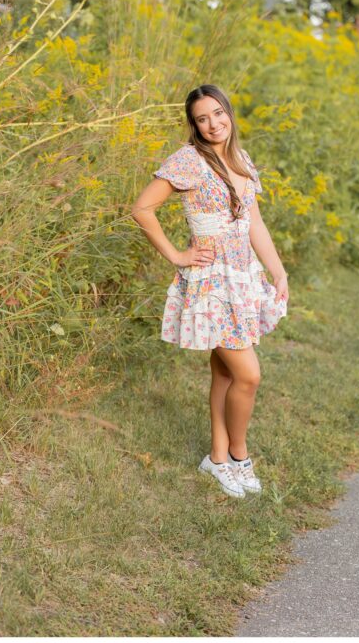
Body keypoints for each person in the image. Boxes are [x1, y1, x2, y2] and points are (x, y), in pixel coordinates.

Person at [131, 84, 288, 498]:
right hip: (212, 283)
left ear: (229, 113)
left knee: (224, 373)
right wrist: (177, 256)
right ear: (194, 125)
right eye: (203, 118)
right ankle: (239, 455)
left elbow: (253, 222)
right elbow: (141, 209)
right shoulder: (189, 161)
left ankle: (216, 459)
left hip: (242, 278)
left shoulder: (241, 159)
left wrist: (278, 269)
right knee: (248, 375)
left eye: (218, 114)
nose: (213, 124)